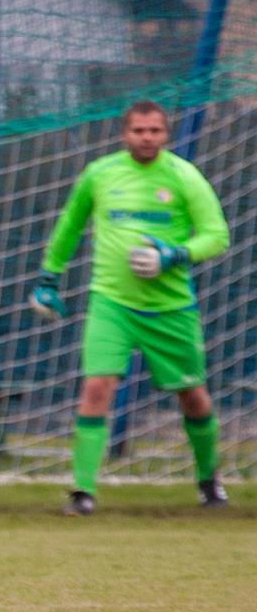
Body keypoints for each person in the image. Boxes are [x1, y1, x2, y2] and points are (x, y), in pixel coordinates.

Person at [28, 100, 231, 515]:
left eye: (155, 131)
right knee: (96, 387)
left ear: (166, 134)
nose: (147, 138)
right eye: (139, 130)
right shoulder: (100, 174)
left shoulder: (183, 176)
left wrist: (174, 254)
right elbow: (70, 225)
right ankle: (82, 492)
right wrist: (49, 276)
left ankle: (209, 480)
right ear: (125, 133)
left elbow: (216, 235)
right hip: (111, 303)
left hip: (171, 307)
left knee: (192, 396)